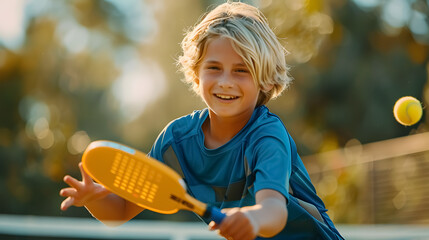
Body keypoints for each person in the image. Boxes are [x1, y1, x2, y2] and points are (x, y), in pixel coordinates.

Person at [60, 2, 344, 239]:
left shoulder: (267, 136)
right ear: (197, 73)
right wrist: (94, 199)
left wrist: (253, 220)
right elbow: (119, 211)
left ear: (265, 80)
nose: (225, 82)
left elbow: (273, 210)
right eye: (214, 68)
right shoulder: (177, 141)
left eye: (241, 70)